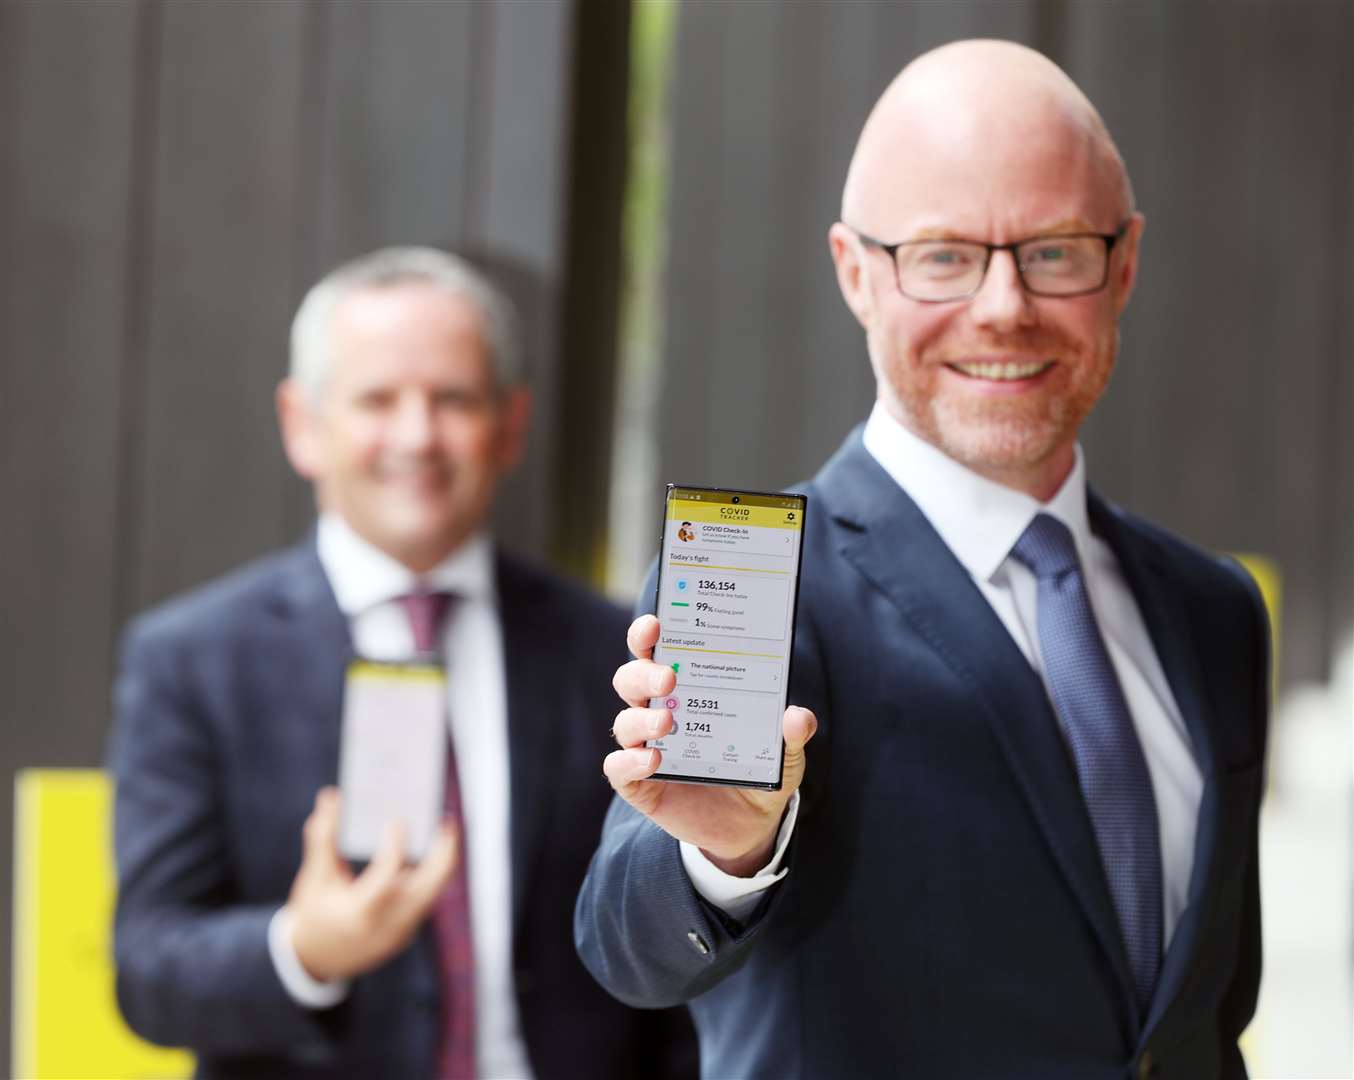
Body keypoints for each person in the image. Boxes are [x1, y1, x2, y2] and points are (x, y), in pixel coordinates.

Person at [575, 40, 1268, 1080]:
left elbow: (1199, 1020)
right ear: (857, 273)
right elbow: (625, 944)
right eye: (942, 255)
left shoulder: (1213, 611)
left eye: (1053, 250)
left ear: (1122, 266)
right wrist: (722, 854)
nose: (1002, 306)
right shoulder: (759, 576)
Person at [110, 247, 697, 1080]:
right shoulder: (193, 661)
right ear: (301, 425)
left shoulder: (616, 651)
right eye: (378, 400)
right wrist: (303, 948)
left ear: (511, 425)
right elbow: (148, 970)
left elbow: (673, 952)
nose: (418, 436)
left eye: (452, 399)